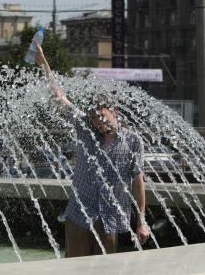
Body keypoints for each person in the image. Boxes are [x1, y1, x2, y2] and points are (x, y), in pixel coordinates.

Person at [34, 41, 150, 257]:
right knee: (75, 268)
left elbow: (138, 182)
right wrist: (43, 62)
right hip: (79, 214)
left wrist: (141, 222)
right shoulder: (86, 130)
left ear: (114, 111)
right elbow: (59, 97)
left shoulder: (133, 141)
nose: (98, 123)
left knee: (104, 269)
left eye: (101, 116)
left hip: (110, 217)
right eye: (94, 119)